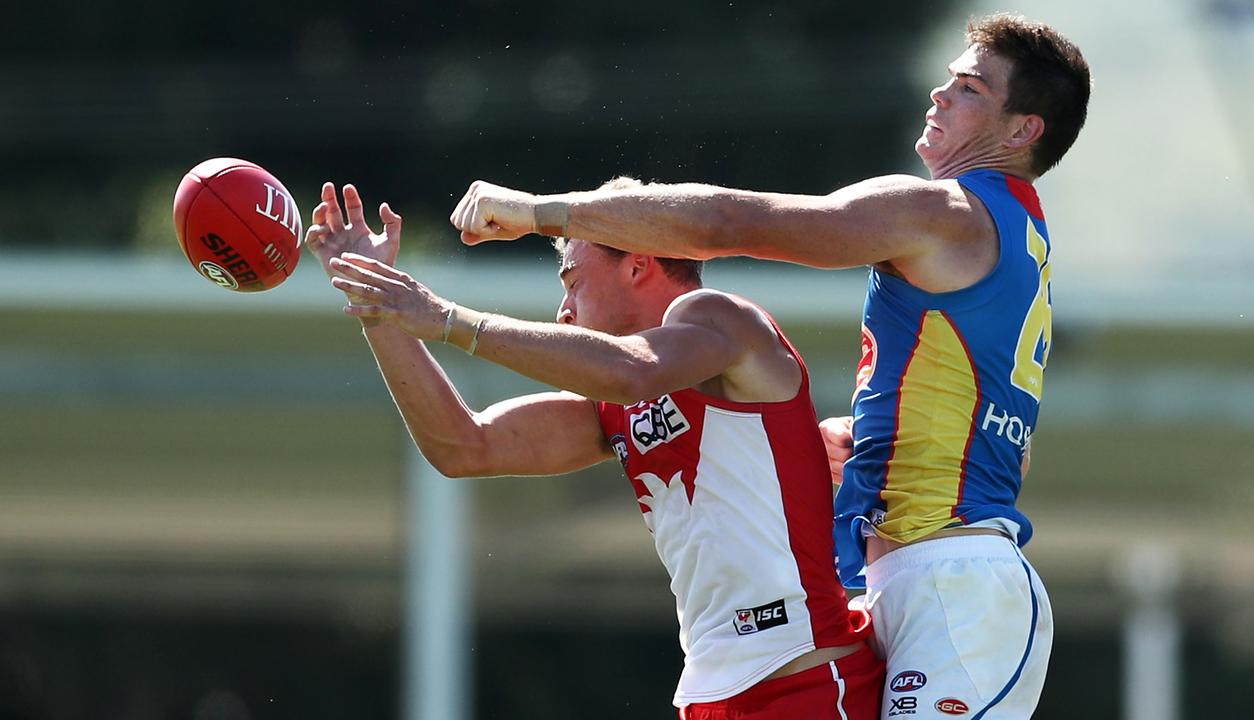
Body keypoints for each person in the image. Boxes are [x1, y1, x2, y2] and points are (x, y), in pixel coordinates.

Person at [445, 13, 1090, 719]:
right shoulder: (1007, 230)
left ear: (1022, 130)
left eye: (969, 88)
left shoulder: (947, 211)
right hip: (909, 577)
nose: (941, 95)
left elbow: (730, 226)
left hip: (955, 582)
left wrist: (544, 212)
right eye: (948, 79)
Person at [304, 177, 884, 719]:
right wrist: (377, 309)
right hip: (712, 693)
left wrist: (448, 319)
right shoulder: (613, 402)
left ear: (637, 262)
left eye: (572, 280)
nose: (564, 309)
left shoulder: (717, 319)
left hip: (807, 681)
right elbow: (464, 445)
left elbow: (633, 370)